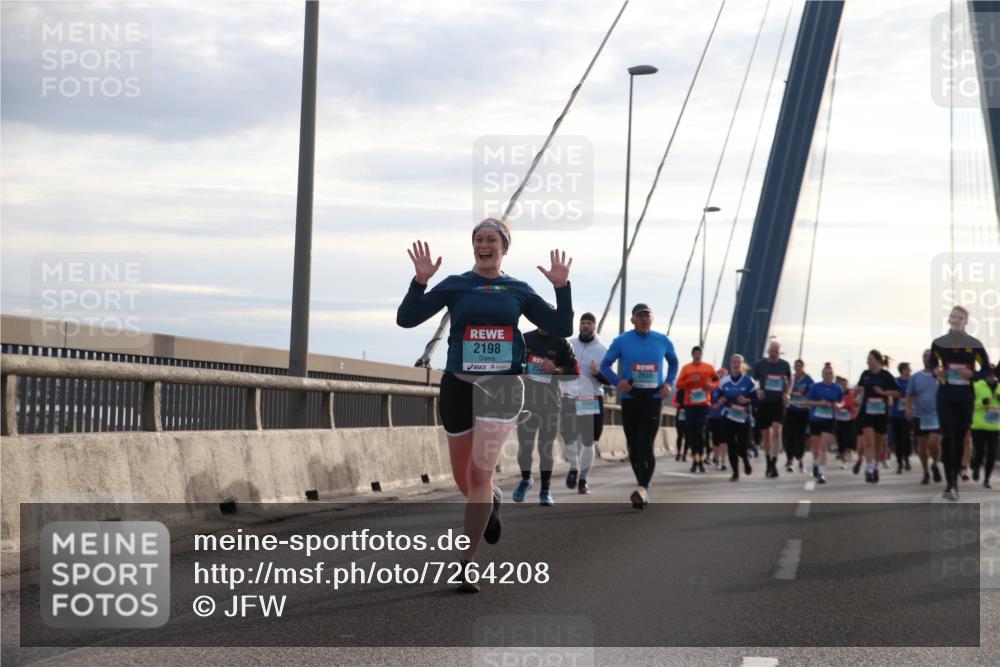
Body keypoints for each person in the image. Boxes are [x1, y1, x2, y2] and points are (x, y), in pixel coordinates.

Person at [396, 220, 573, 592]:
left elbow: (562, 324)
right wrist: (420, 282)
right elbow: (407, 319)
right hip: (458, 386)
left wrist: (562, 288)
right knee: (466, 481)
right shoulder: (457, 285)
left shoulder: (518, 290)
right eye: (478, 240)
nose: (483, 244)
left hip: (503, 388)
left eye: (491, 239)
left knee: (478, 473)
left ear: (504, 246)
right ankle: (492, 500)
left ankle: (466, 564)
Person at [600, 303, 679, 509]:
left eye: (647, 316)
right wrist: (618, 382)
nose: (644, 319)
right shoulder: (622, 341)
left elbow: (674, 363)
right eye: (640, 316)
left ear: (652, 319)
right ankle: (641, 484)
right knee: (633, 446)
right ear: (633, 319)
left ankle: (642, 488)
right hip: (630, 399)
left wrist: (669, 383)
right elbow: (604, 366)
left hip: (653, 399)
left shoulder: (662, 341)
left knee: (646, 444)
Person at [930, 305, 993, 500]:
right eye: (953, 317)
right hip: (945, 396)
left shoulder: (974, 344)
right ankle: (950, 484)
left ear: (966, 321)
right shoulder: (939, 343)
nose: (956, 320)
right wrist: (936, 371)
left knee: (959, 438)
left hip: (965, 398)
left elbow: (986, 370)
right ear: (948, 320)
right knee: (948, 437)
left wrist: (973, 374)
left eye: (960, 317)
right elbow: (932, 363)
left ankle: (955, 477)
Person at [515, 327, 578, 506]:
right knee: (524, 448)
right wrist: (520, 371)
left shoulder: (561, 342)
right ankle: (526, 480)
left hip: (551, 405)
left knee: (546, 448)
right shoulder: (524, 338)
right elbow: (509, 363)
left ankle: (545, 490)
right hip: (526, 403)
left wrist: (555, 370)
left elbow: (575, 371)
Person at [561, 312, 610, 495]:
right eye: (583, 323)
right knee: (569, 439)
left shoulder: (602, 350)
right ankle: (574, 467)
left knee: (588, 442)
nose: (586, 326)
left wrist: (598, 373)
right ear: (579, 325)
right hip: (569, 397)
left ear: (594, 327)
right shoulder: (569, 345)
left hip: (591, 398)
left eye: (589, 323)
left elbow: (609, 379)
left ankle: (583, 479)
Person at [853, 349, 900, 484]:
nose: (868, 362)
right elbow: (858, 389)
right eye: (867, 359)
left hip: (881, 413)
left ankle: (876, 467)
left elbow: (897, 393)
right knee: (868, 441)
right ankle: (869, 469)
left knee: (879, 444)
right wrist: (855, 397)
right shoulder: (865, 374)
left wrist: (884, 393)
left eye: (871, 359)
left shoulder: (886, 375)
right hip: (867, 412)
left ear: (878, 361)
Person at [676, 346, 721, 474]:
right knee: (691, 433)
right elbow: (679, 385)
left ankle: (700, 461)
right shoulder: (686, 368)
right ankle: (695, 460)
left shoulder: (708, 367)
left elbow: (717, 381)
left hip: (703, 404)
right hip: (690, 405)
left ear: (701, 355)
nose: (697, 356)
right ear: (692, 355)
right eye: (695, 353)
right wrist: (690, 380)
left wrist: (711, 386)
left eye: (699, 353)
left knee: (701, 433)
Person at [753, 339, 793, 478]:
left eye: (777, 352)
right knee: (766, 435)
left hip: (778, 402)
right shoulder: (760, 364)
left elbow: (790, 379)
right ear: (768, 351)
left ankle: (774, 463)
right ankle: (768, 461)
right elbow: (755, 381)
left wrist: (787, 393)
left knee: (777, 429)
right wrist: (758, 391)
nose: (774, 354)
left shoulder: (784, 365)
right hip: (764, 402)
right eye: (772, 351)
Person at [717, 354, 757, 481]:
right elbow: (718, 396)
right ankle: (735, 472)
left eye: (738, 362)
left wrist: (746, 400)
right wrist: (721, 399)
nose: (736, 365)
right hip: (728, 417)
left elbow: (757, 400)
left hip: (743, 418)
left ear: (742, 364)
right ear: (730, 364)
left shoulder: (749, 381)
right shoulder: (724, 381)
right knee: (730, 444)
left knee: (742, 445)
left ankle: (745, 460)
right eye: (734, 362)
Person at [907, 349, 943, 485]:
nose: (926, 359)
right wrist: (908, 409)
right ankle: (926, 472)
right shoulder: (916, 377)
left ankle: (935, 463)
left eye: (929, 356)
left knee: (933, 443)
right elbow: (910, 394)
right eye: (924, 356)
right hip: (920, 415)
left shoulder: (941, 375)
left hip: (937, 415)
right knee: (921, 446)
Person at [805, 363, 845, 484]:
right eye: (826, 373)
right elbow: (807, 402)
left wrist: (837, 405)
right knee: (816, 448)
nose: (828, 375)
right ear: (822, 374)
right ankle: (816, 463)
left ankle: (821, 473)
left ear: (833, 375)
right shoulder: (816, 387)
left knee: (824, 447)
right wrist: (819, 403)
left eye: (830, 373)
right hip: (816, 419)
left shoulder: (837, 388)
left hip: (829, 421)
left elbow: (841, 402)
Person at [970, 364, 1000, 488]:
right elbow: (971, 403)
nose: (991, 376)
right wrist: (981, 402)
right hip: (979, 425)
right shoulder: (976, 386)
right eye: (989, 374)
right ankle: (976, 468)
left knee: (991, 454)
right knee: (980, 451)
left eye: (993, 374)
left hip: (994, 426)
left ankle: (987, 479)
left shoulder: (999, 388)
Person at [783, 359, 814, 473]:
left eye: (800, 366)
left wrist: (804, 392)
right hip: (791, 410)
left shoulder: (808, 379)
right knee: (789, 435)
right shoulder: (791, 379)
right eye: (796, 366)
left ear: (803, 367)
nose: (798, 368)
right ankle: (790, 460)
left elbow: (811, 393)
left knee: (801, 436)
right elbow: (785, 390)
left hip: (803, 411)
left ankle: (800, 459)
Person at [890, 362, 913, 474]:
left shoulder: (912, 381)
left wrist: (909, 400)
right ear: (903, 370)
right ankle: (899, 462)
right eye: (908, 369)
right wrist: (899, 397)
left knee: (907, 437)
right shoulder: (896, 381)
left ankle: (907, 459)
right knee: (898, 439)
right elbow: (891, 394)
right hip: (896, 414)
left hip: (908, 414)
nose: (910, 371)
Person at [708, 368, 729, 471]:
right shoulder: (712, 387)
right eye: (719, 373)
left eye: (723, 373)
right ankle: (716, 459)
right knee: (715, 439)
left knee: (723, 438)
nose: (721, 375)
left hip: (724, 415)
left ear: (726, 375)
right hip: (713, 415)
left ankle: (723, 461)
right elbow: (708, 399)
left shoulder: (728, 386)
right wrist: (712, 405)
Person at [834, 376, 858, 469]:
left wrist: (852, 407)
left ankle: (849, 454)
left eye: (844, 383)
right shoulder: (836, 394)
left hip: (850, 420)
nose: (842, 385)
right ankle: (844, 461)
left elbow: (855, 404)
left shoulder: (851, 394)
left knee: (850, 439)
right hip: (839, 420)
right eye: (841, 383)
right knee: (841, 441)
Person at [673, 389, 688, 461]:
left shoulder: (691, 390)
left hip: (689, 414)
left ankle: (685, 453)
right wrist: (677, 405)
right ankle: (679, 453)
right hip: (680, 415)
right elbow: (674, 402)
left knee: (688, 436)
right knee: (680, 435)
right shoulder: (679, 392)